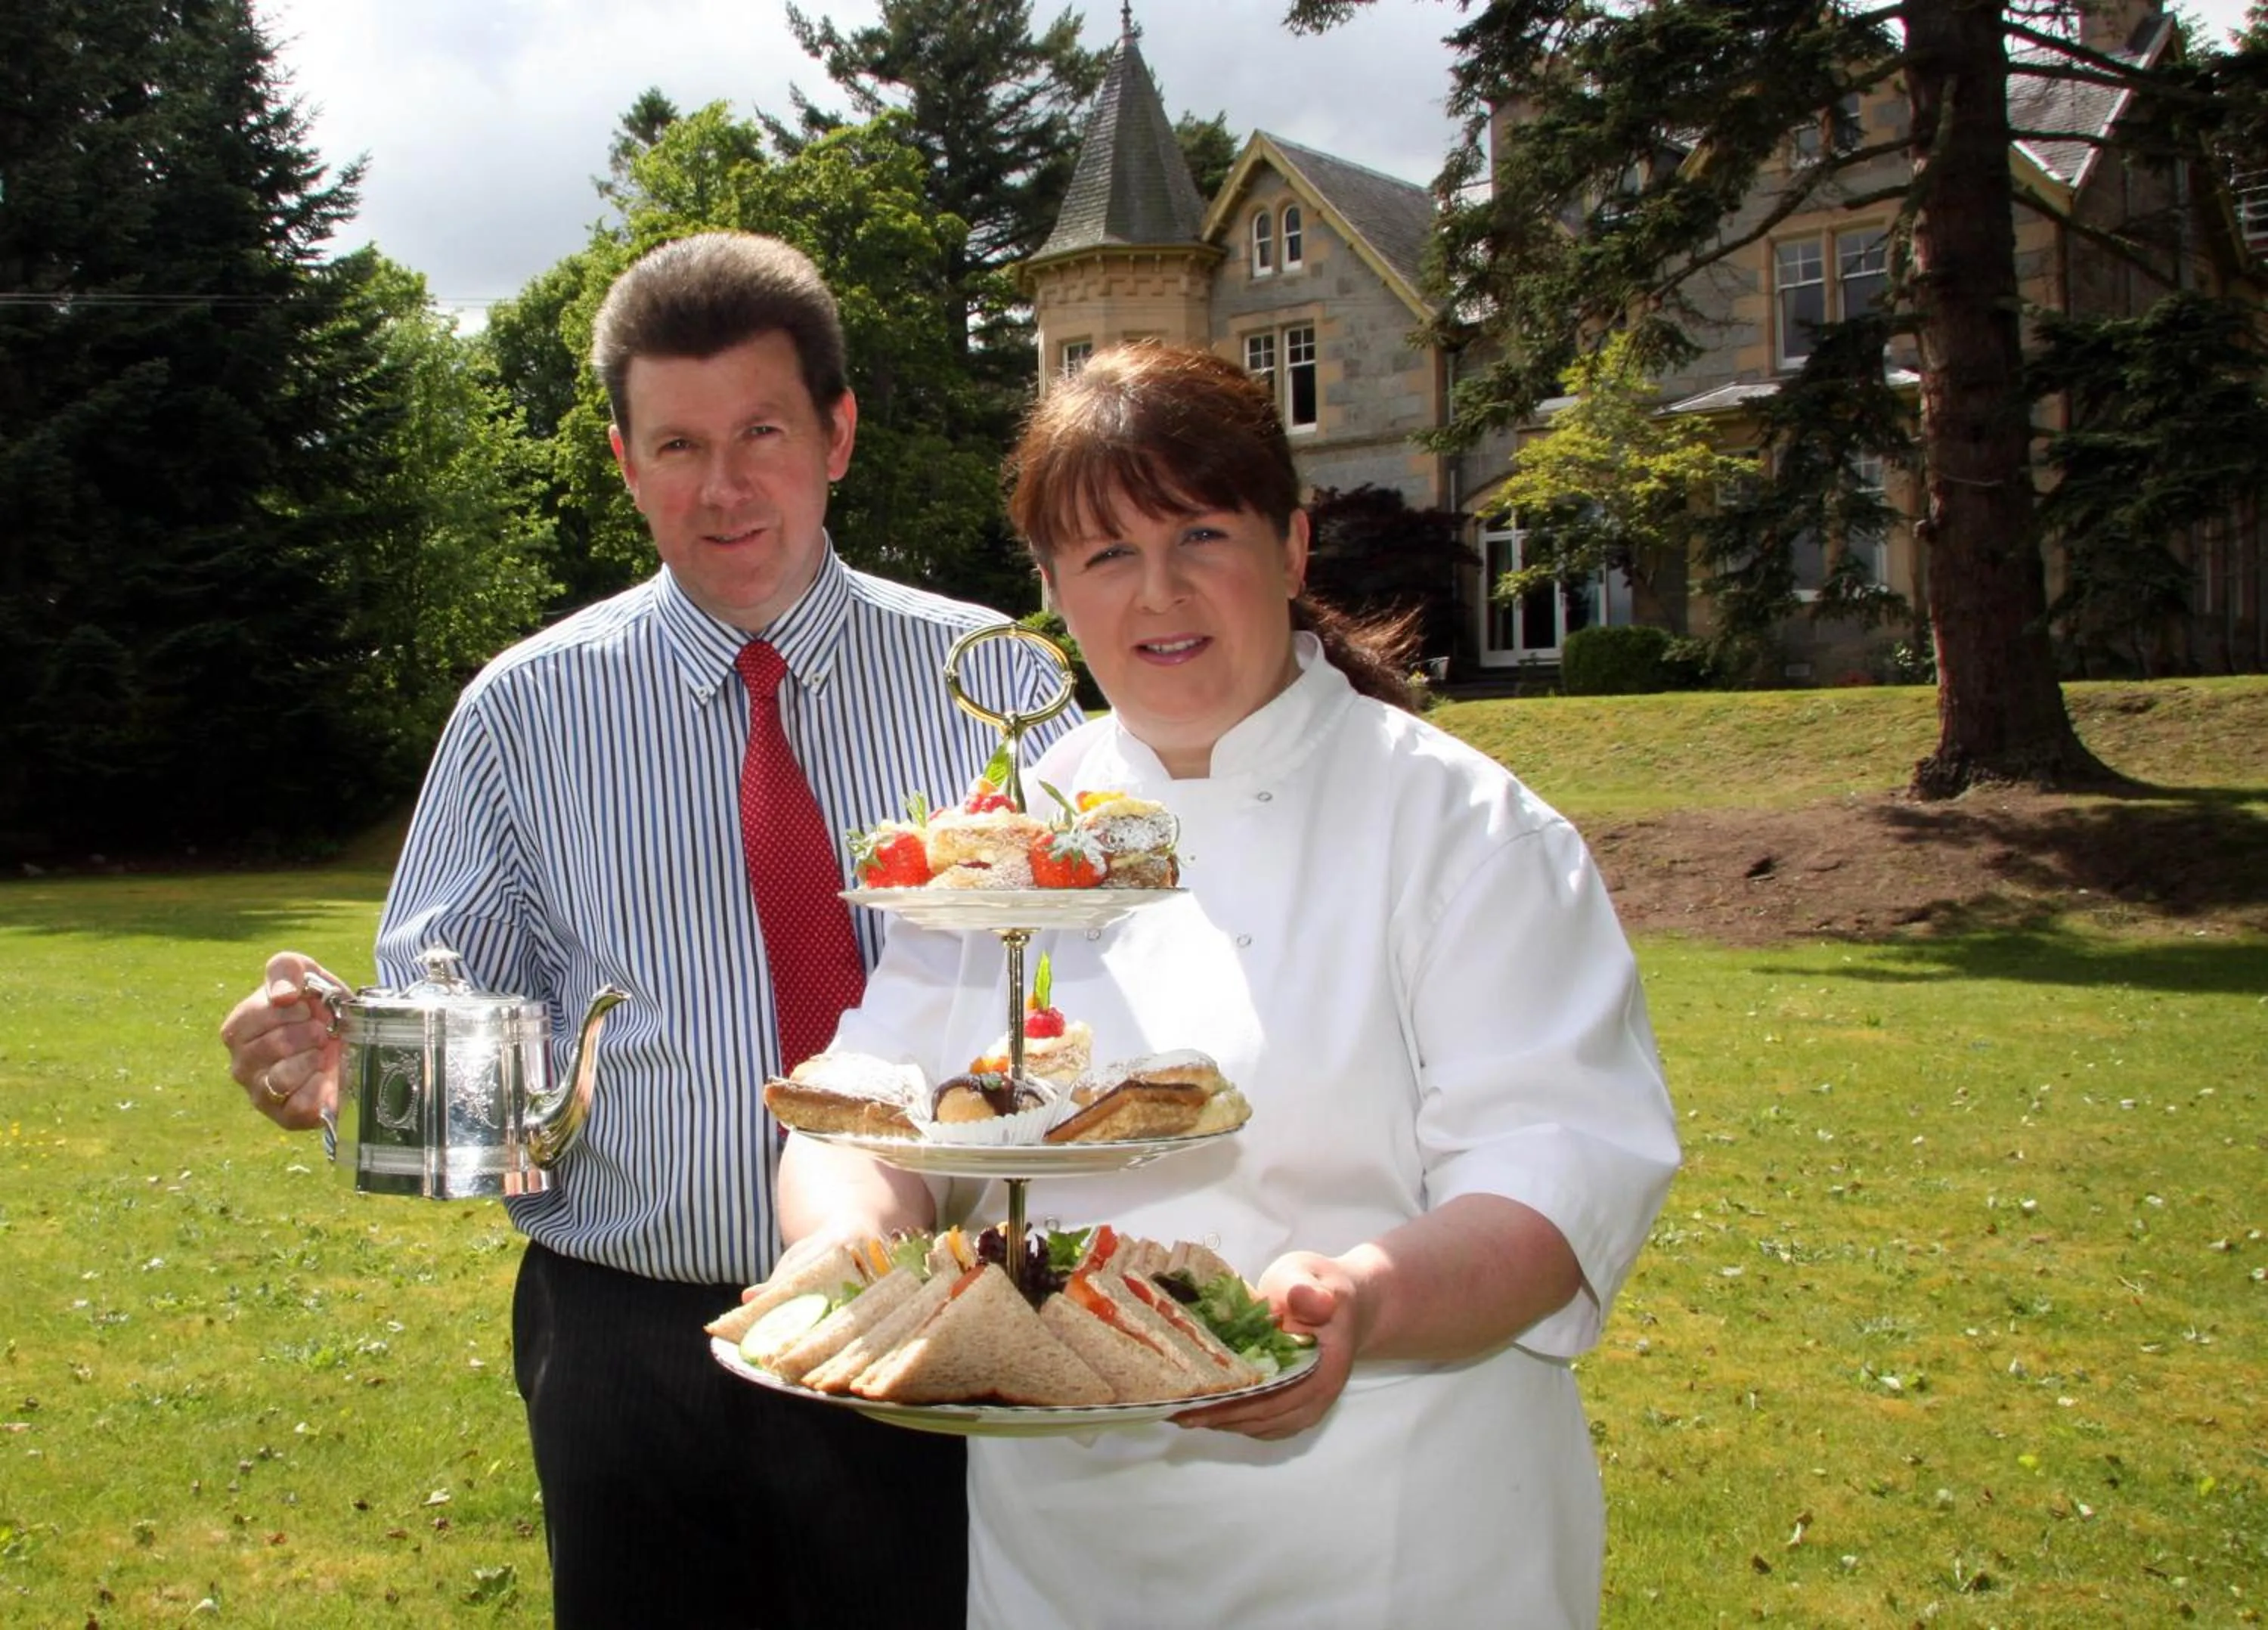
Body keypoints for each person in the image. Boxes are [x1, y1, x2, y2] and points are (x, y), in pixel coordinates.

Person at [217, 231, 1076, 1628]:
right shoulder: (523, 710)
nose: (723, 488)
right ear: (624, 461)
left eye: (761, 432)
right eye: (677, 445)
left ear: (839, 432)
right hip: (631, 1340)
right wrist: (329, 1080)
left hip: (933, 1317)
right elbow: (448, 1058)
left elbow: (1101, 993)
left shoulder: (994, 683)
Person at [779, 342, 1682, 1628]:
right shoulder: (1018, 841)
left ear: (1294, 546)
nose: (1160, 591)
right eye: (1103, 553)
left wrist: (1362, 1301)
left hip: (1392, 1535)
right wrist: (846, 1260)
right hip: (1071, 1552)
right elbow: (870, 1103)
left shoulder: (1460, 826)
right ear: (1049, 589)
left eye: (1202, 532)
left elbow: (1555, 1179)